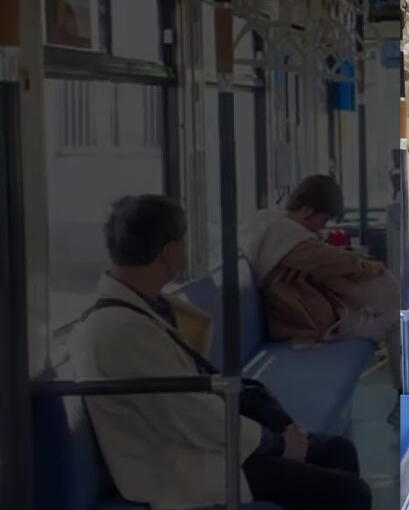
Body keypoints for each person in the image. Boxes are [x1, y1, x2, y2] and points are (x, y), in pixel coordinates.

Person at [68, 195, 371, 510]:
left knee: (337, 450)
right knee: (351, 494)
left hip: (197, 448)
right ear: (170, 253)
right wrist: (277, 444)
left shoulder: (137, 311)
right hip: (179, 470)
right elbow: (196, 416)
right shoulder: (123, 331)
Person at [240, 175, 400, 381]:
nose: (321, 229)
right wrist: (374, 266)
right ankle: (402, 391)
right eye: (322, 221)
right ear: (307, 211)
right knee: (395, 320)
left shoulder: (269, 224)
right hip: (303, 324)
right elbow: (339, 262)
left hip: (296, 316)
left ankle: (403, 391)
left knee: (386, 310)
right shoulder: (289, 237)